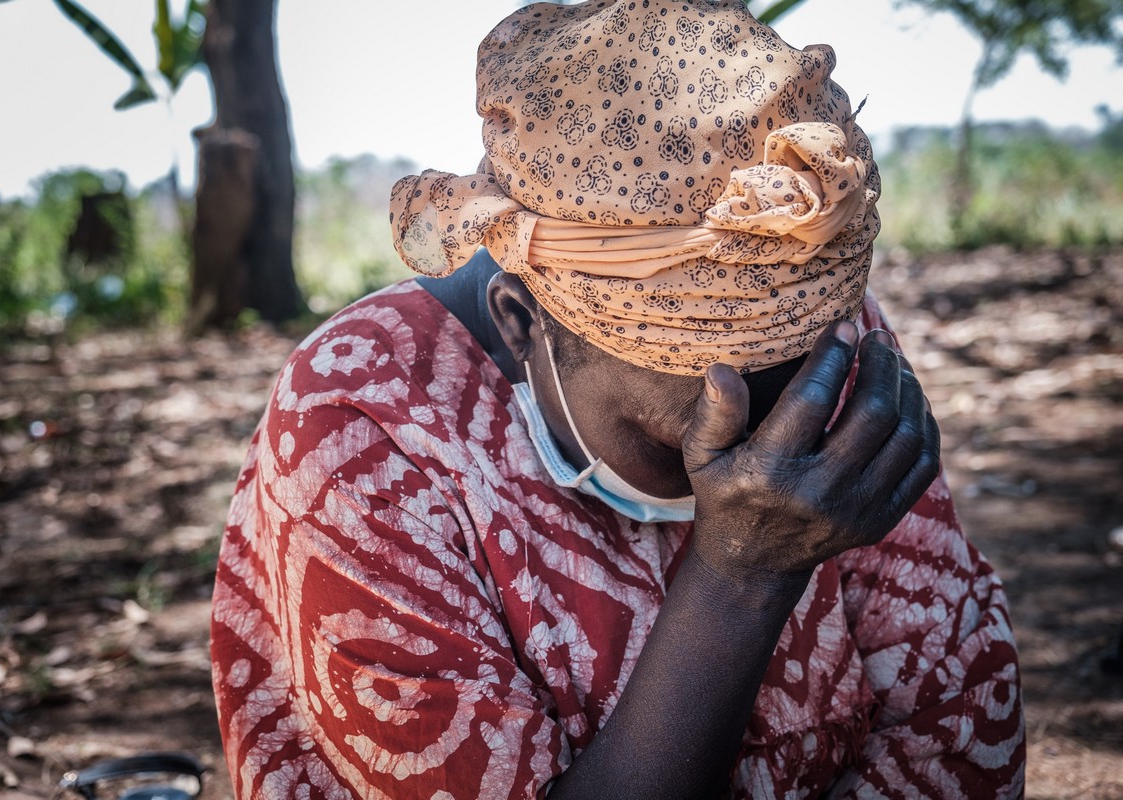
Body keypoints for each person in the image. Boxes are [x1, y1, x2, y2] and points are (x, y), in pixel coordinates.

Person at [210, 1, 1025, 797]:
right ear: (520, 321)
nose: (770, 482)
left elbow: (951, 723)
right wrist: (739, 576)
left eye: (793, 417)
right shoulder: (360, 423)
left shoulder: (822, 346)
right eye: (683, 438)